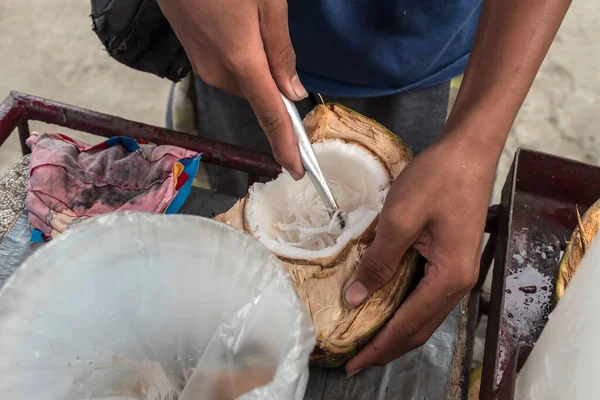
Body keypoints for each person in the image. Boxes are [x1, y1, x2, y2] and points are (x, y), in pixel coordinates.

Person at [90, 0, 572, 376]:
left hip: (422, 50)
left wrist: (477, 139)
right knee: (238, 183)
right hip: (239, 29)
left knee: (413, 232)